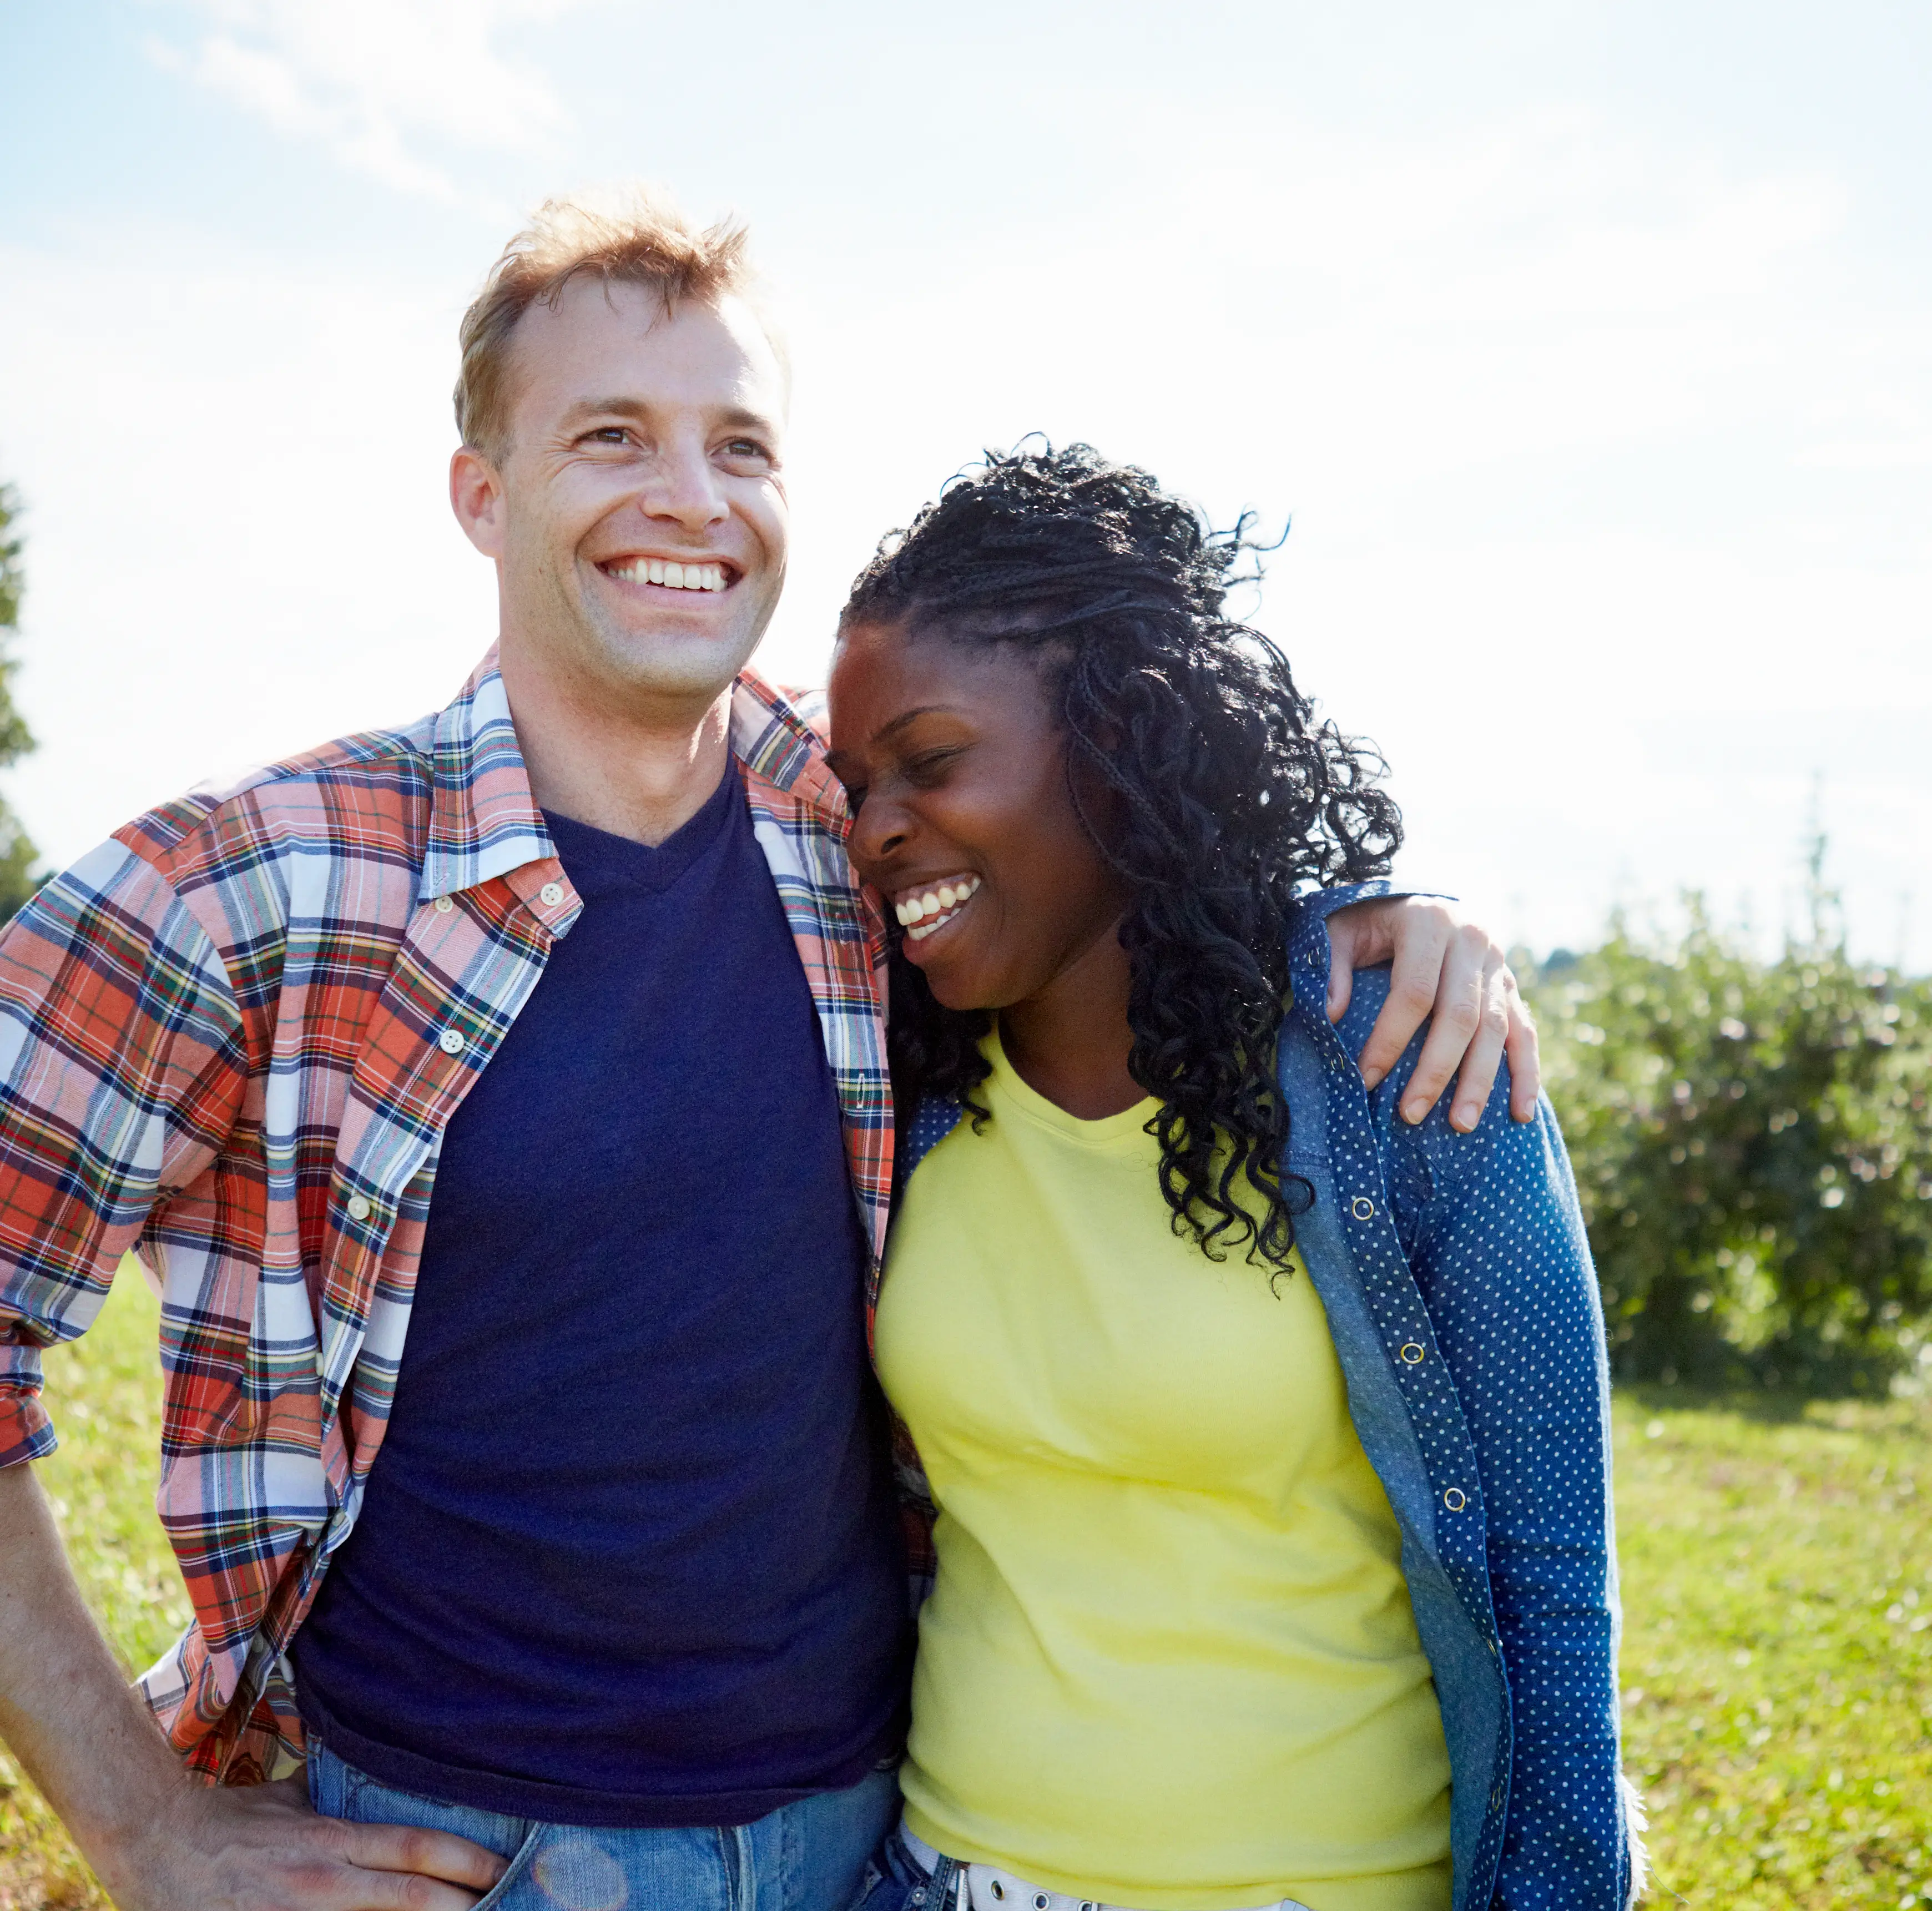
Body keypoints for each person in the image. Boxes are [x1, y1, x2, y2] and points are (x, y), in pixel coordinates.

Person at [0, 194, 1537, 1911]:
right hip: (453, 1850)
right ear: (482, 495)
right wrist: (145, 1823)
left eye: (743, 444)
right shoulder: (264, 885)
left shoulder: (865, 836)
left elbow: (1131, 837)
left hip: (873, 1838)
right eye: (612, 437)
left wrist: (1385, 913)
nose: (690, 498)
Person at [824, 444, 1638, 1911]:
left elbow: (1556, 1599)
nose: (880, 825)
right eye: (859, 785)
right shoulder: (899, 1093)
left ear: (1125, 740)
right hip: (945, 1878)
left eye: (932, 764)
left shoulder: (1407, 1075)